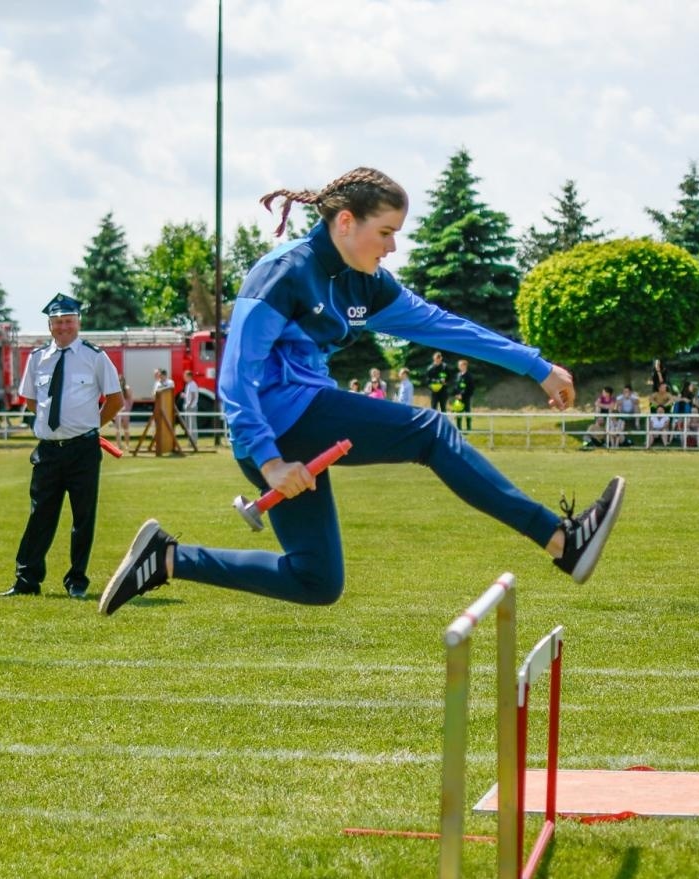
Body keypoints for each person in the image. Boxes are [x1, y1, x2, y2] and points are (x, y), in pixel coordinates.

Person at [97, 166, 624, 615]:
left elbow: (440, 325)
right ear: (346, 222)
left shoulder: (366, 282)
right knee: (431, 430)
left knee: (316, 581)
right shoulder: (284, 273)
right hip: (278, 425)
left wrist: (535, 366)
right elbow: (236, 375)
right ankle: (561, 540)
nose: (393, 247)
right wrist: (269, 461)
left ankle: (166, 559)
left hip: (297, 427)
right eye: (387, 232)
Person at [0, 293, 124, 599]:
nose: (63, 327)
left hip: (83, 449)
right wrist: (52, 422)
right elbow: (30, 399)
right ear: (49, 325)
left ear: (78, 323)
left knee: (83, 518)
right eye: (57, 322)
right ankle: (27, 579)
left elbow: (115, 400)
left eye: (68, 321)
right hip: (48, 451)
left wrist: (88, 424)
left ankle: (77, 581)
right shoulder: (37, 358)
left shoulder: (95, 357)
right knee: (39, 514)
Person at [452, 357, 476, 432]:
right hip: (458, 398)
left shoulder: (469, 376)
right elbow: (456, 386)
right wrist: (456, 394)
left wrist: (462, 395)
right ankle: (459, 428)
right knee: (458, 412)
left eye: (461, 365)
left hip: (466, 397)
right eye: (459, 365)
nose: (459, 366)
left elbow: (471, 388)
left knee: (467, 412)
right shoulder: (458, 375)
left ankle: (468, 428)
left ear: (465, 366)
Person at [180, 371, 200, 447]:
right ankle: (190, 441)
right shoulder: (188, 385)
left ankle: (193, 441)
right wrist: (184, 395)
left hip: (191, 407)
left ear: (189, 376)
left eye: (185, 376)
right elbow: (189, 396)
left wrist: (190, 404)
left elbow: (194, 396)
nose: (184, 378)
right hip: (188, 406)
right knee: (188, 425)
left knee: (192, 425)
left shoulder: (192, 384)